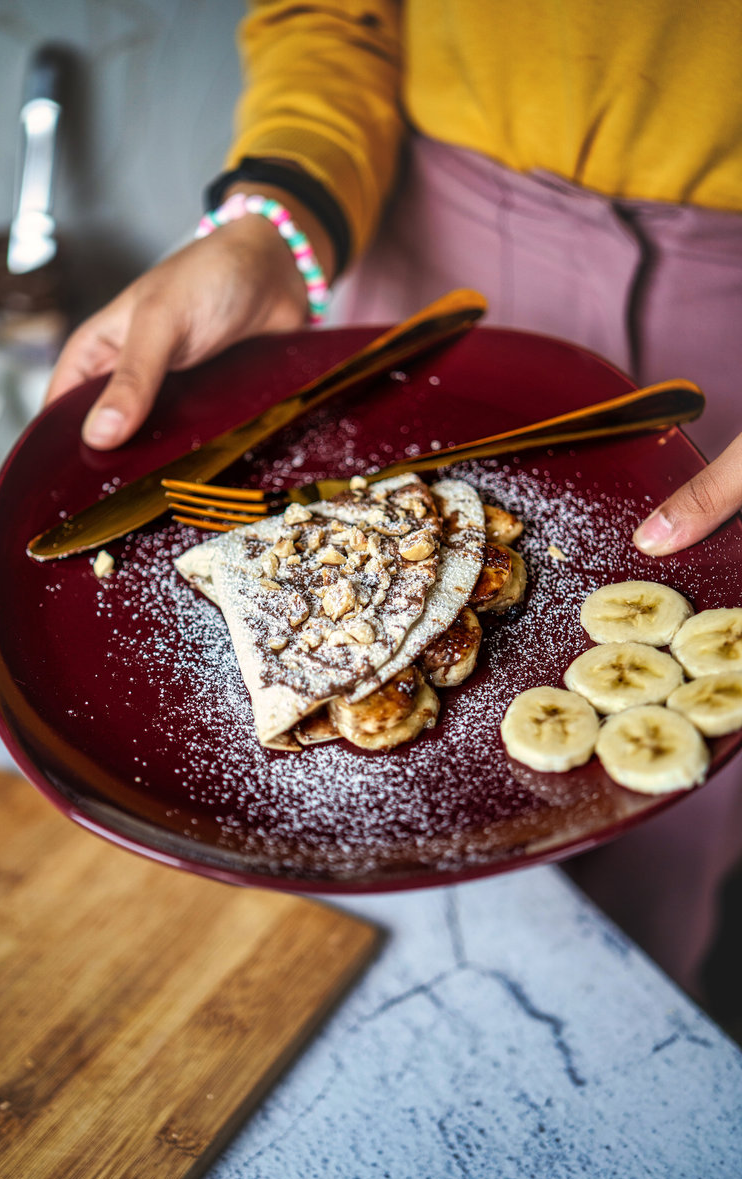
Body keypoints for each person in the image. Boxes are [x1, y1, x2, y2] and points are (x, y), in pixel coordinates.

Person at [46, 0, 742, 994]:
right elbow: (328, 16)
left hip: (728, 324)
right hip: (428, 263)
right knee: (330, 889)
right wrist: (269, 229)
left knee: (658, 837)